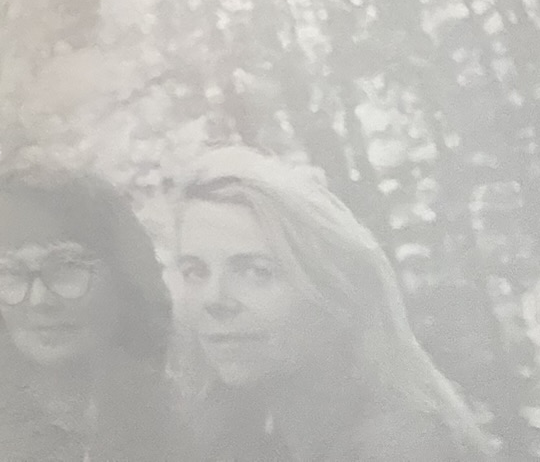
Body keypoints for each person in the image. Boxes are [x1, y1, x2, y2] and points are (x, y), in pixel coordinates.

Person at [173, 147, 494, 462]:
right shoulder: (242, 430)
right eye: (195, 272)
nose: (214, 300)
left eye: (256, 272)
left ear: (330, 290)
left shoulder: (403, 443)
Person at [0, 166, 187, 461]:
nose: (40, 300)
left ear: (121, 279)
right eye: (13, 272)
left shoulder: (170, 423)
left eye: (66, 267)